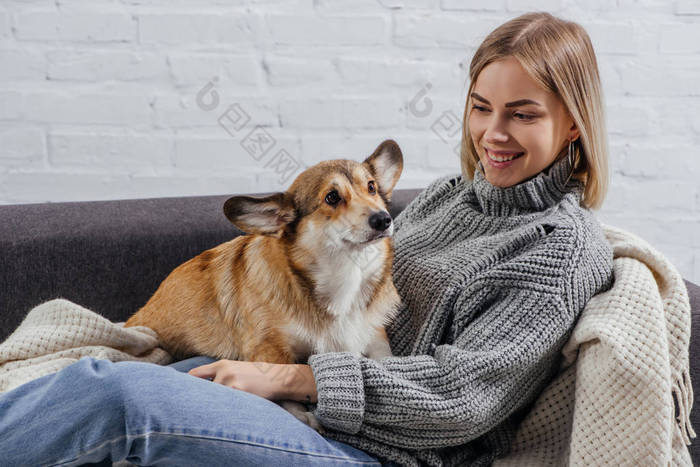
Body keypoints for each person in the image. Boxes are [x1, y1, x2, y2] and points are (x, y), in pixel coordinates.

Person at [0, 11, 614, 467]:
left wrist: (289, 379)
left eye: (523, 113)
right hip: (324, 411)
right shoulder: (452, 195)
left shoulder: (559, 248)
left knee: (122, 402)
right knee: (90, 377)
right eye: (482, 107)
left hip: (381, 453)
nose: (493, 133)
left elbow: (462, 399)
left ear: (572, 128)